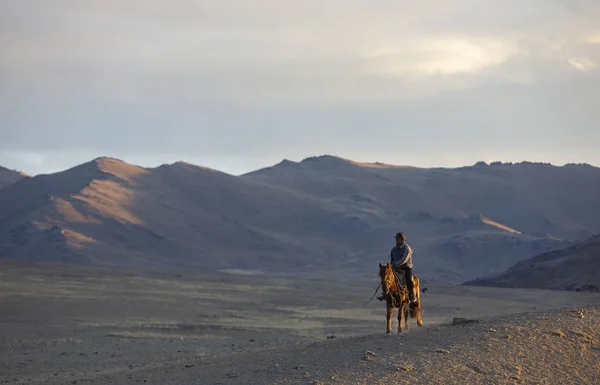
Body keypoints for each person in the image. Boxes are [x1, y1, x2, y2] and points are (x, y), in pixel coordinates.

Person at [378, 231, 416, 303]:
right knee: (387, 278)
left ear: (402, 240)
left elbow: (404, 259)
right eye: (396, 239)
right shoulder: (393, 250)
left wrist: (394, 264)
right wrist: (390, 267)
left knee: (409, 279)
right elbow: (392, 260)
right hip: (395, 268)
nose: (396, 240)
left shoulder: (407, 248)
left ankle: (412, 295)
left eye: (397, 239)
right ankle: (385, 293)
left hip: (406, 267)